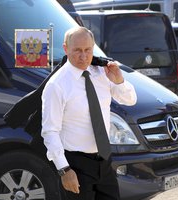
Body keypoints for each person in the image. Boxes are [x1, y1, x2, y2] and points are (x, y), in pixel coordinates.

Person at [41, 27, 137, 200]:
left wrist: (119, 81)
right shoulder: (57, 85)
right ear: (65, 49)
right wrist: (64, 170)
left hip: (104, 161)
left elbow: (130, 100)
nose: (83, 56)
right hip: (75, 165)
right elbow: (50, 131)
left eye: (88, 50)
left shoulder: (102, 73)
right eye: (77, 50)